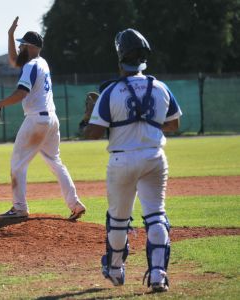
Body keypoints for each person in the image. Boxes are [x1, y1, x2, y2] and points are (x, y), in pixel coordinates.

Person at [82, 28, 182, 292]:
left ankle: (115, 270)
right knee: (156, 214)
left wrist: (89, 116)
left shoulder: (111, 91)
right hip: (154, 157)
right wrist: (147, 123)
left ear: (119, 58)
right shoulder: (160, 86)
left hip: (122, 160)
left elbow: (92, 134)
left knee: (118, 219)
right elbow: (174, 125)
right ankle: (159, 274)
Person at [0, 17, 86, 220]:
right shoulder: (41, 63)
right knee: (55, 161)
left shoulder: (30, 66)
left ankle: (19, 207)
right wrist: (10, 35)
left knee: (17, 163)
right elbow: (13, 60)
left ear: (29, 46)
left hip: (36, 120)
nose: (19, 48)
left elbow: (21, 94)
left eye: (21, 45)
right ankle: (75, 203)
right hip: (52, 119)